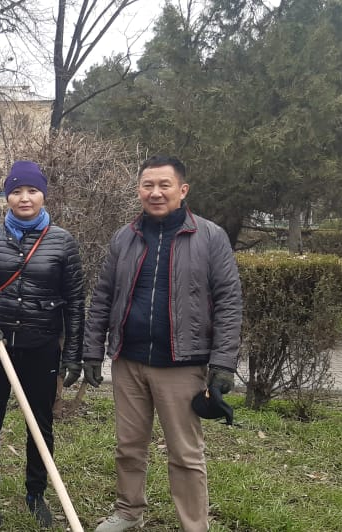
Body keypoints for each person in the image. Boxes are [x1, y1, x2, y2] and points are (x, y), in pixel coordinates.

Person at [82, 155, 242, 532]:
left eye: (164, 185)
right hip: (128, 361)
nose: (155, 193)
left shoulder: (209, 236)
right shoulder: (125, 237)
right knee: (128, 446)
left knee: (186, 454)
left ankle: (194, 525)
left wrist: (223, 363)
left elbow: (229, 301)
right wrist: (92, 350)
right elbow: (103, 296)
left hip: (182, 364)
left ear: (182, 190)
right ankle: (128, 512)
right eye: (147, 185)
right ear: (138, 190)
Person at [0, 160, 85, 529]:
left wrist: (73, 354)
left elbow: (76, 302)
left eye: (31, 190)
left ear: (44, 194)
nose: (24, 197)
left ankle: (36, 493)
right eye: (16, 191)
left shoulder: (62, 242)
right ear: (6, 196)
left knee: (40, 424)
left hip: (41, 345)